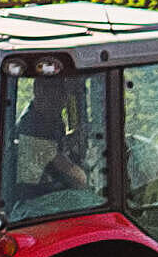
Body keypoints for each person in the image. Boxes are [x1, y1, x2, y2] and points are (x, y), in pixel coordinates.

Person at [8, 78, 105, 212]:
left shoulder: (52, 119)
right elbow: (77, 178)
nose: (63, 102)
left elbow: (56, 149)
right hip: (35, 200)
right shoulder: (32, 126)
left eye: (65, 95)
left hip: (51, 188)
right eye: (58, 94)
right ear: (39, 90)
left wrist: (74, 137)